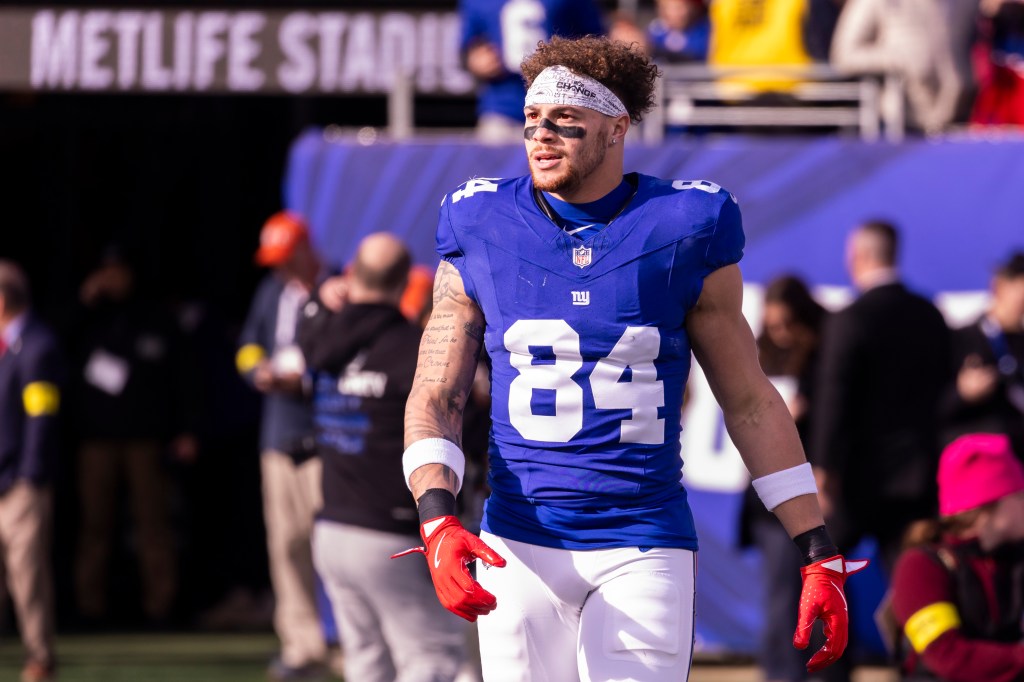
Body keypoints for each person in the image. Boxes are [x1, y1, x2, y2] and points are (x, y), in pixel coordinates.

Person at [399, 35, 866, 682]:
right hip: (516, 539)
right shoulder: (480, 220)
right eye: (533, 120)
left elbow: (750, 399)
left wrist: (816, 545)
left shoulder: (685, 223)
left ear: (617, 128)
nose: (542, 135)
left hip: (641, 544)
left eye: (566, 122)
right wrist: (436, 518)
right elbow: (435, 393)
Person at [297, 233, 468, 682]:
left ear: (352, 277)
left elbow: (306, 324)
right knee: (431, 659)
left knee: (367, 662)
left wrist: (321, 294)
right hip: (392, 533)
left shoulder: (323, 337)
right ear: (402, 283)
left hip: (333, 527)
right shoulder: (413, 349)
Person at [812, 220, 953, 577]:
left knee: (823, 574)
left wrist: (823, 469)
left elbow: (834, 397)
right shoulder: (930, 315)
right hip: (917, 478)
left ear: (858, 257)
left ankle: (831, 636)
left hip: (856, 479)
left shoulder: (850, 319)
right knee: (917, 581)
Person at [68, 247, 196, 627]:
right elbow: (57, 349)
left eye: (119, 271)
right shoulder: (88, 317)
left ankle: (161, 607)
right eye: (106, 271)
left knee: (153, 523)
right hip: (96, 439)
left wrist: (187, 429)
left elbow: (184, 378)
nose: (113, 279)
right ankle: (88, 608)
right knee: (95, 524)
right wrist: (83, 301)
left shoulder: (156, 317)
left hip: (146, 438)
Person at [236, 211, 328, 680]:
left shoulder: (335, 288)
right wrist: (258, 372)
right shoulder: (271, 291)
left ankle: (348, 641)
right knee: (286, 543)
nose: (278, 268)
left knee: (333, 546)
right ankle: (301, 644)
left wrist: (307, 379)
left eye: (285, 258)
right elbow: (248, 343)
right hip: (277, 436)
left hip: (325, 437)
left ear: (304, 251)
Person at [743, 275, 829, 682]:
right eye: (772, 326)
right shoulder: (756, 358)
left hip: (812, 494)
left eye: (786, 325)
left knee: (819, 598)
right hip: (769, 500)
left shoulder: (822, 360)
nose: (779, 335)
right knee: (782, 600)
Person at [888, 433, 1024, 681]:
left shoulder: (1010, 558)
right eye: (1021, 495)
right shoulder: (919, 566)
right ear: (995, 505)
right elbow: (946, 656)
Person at [0, 261, 61, 682]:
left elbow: (42, 417)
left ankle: (39, 656)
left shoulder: (38, 346)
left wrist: (29, 476)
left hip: (20, 484)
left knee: (27, 575)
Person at [458, 0, 605, 143]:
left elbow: (595, 39)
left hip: (562, 104)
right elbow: (468, 47)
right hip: (503, 107)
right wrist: (476, 60)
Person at [829, 0, 977, 134]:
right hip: (899, 124)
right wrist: (899, 60)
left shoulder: (965, 3)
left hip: (961, 120)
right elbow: (844, 55)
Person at [942, 251, 1024, 461]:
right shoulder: (962, 339)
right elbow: (931, 406)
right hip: (981, 466)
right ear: (1000, 286)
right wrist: (962, 394)